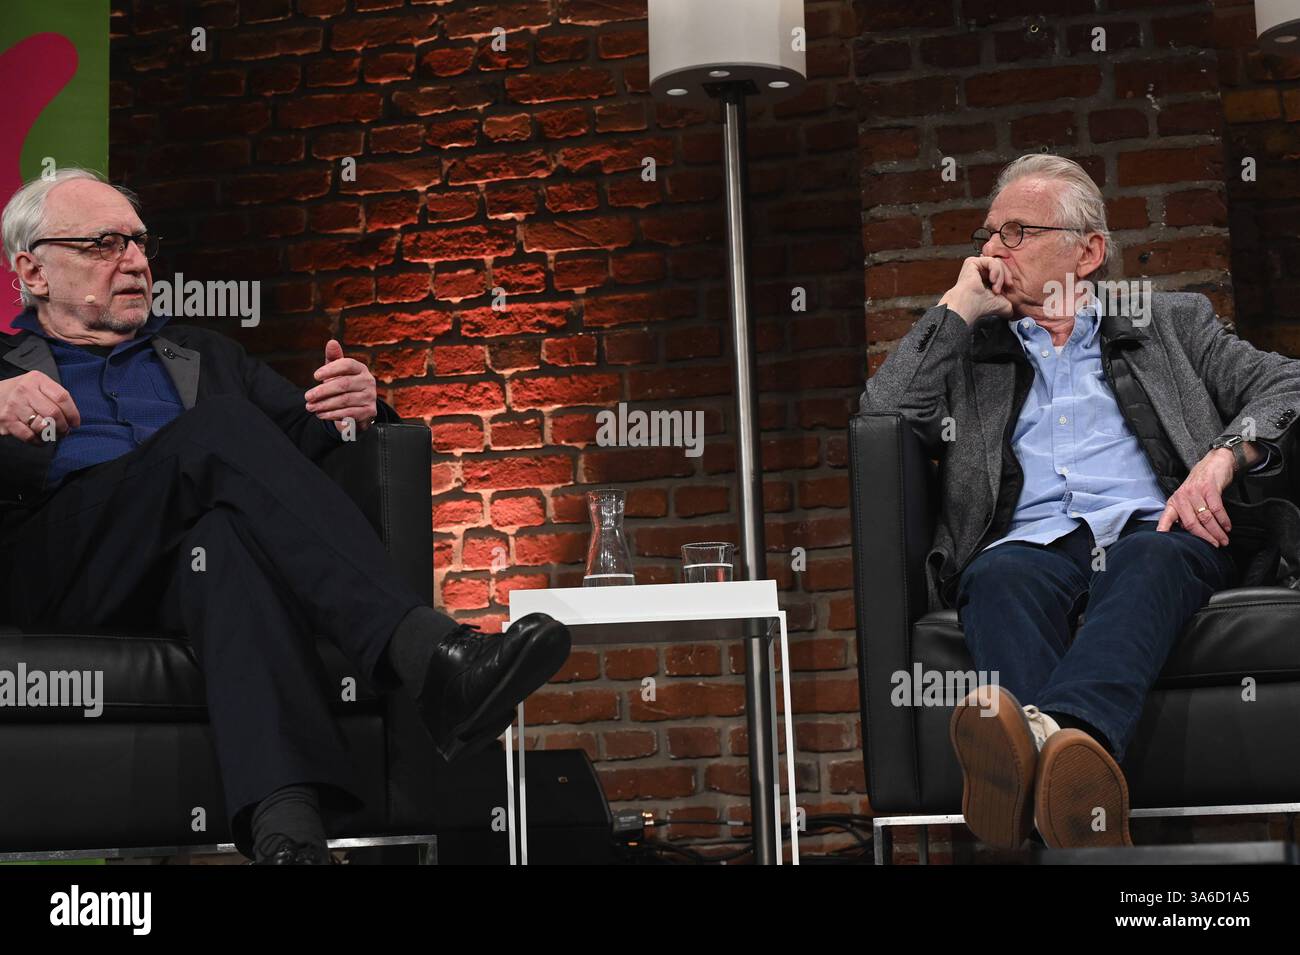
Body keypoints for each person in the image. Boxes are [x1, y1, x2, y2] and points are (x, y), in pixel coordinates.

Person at [0, 167, 571, 864]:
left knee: (224, 540)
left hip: (185, 574)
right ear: (32, 272)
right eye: (104, 244)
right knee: (215, 435)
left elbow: (294, 457)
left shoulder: (207, 356)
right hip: (63, 567)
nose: (138, 262)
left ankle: (290, 838)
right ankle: (432, 657)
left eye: (142, 243)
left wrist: (354, 414)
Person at [861, 154, 1300, 850]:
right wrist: (955, 308)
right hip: (1027, 546)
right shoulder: (970, 348)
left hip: (1153, 531)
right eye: (987, 234)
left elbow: (1288, 386)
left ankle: (1042, 744)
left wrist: (1222, 458)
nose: (991, 251)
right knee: (999, 575)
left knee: (1153, 556)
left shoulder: (1171, 323)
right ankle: (1075, 791)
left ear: (1088, 251)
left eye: (1016, 232)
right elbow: (883, 415)